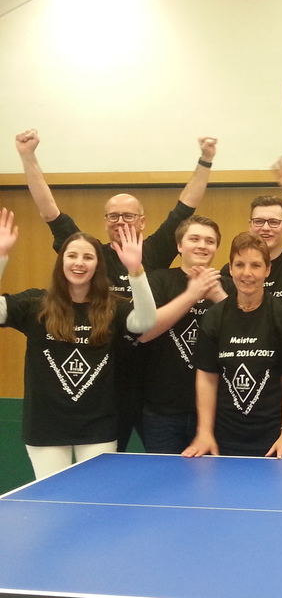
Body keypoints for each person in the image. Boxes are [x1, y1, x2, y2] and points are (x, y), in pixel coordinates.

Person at [15, 129, 217, 451]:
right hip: (105, 380)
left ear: (142, 222)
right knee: (105, 465)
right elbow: (50, 211)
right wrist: (28, 156)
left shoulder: (153, 251)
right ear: (105, 221)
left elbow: (186, 206)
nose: (120, 221)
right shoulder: (92, 255)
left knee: (168, 463)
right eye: (113, 216)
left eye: (128, 215)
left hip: (151, 383)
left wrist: (205, 159)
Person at [0, 208, 156, 479]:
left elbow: (146, 321)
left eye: (88, 257)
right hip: (45, 426)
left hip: (98, 427)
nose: (79, 263)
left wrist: (136, 270)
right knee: (52, 497)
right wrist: (1, 255)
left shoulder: (112, 308)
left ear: (97, 265)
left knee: (94, 495)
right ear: (61, 261)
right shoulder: (35, 303)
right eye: (72, 255)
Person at [183, 232, 282, 458]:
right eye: (240, 265)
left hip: (274, 438)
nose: (247, 273)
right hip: (224, 437)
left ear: (267, 270)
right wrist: (204, 432)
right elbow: (207, 378)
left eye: (256, 265)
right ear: (230, 269)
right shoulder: (214, 317)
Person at [137, 215, 228, 454]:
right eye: (194, 239)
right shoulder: (158, 280)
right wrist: (192, 295)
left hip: (218, 410)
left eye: (209, 241)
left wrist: (219, 297)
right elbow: (144, 333)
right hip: (163, 411)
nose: (202, 245)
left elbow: (246, 335)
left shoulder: (228, 285)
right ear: (179, 245)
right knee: (163, 476)